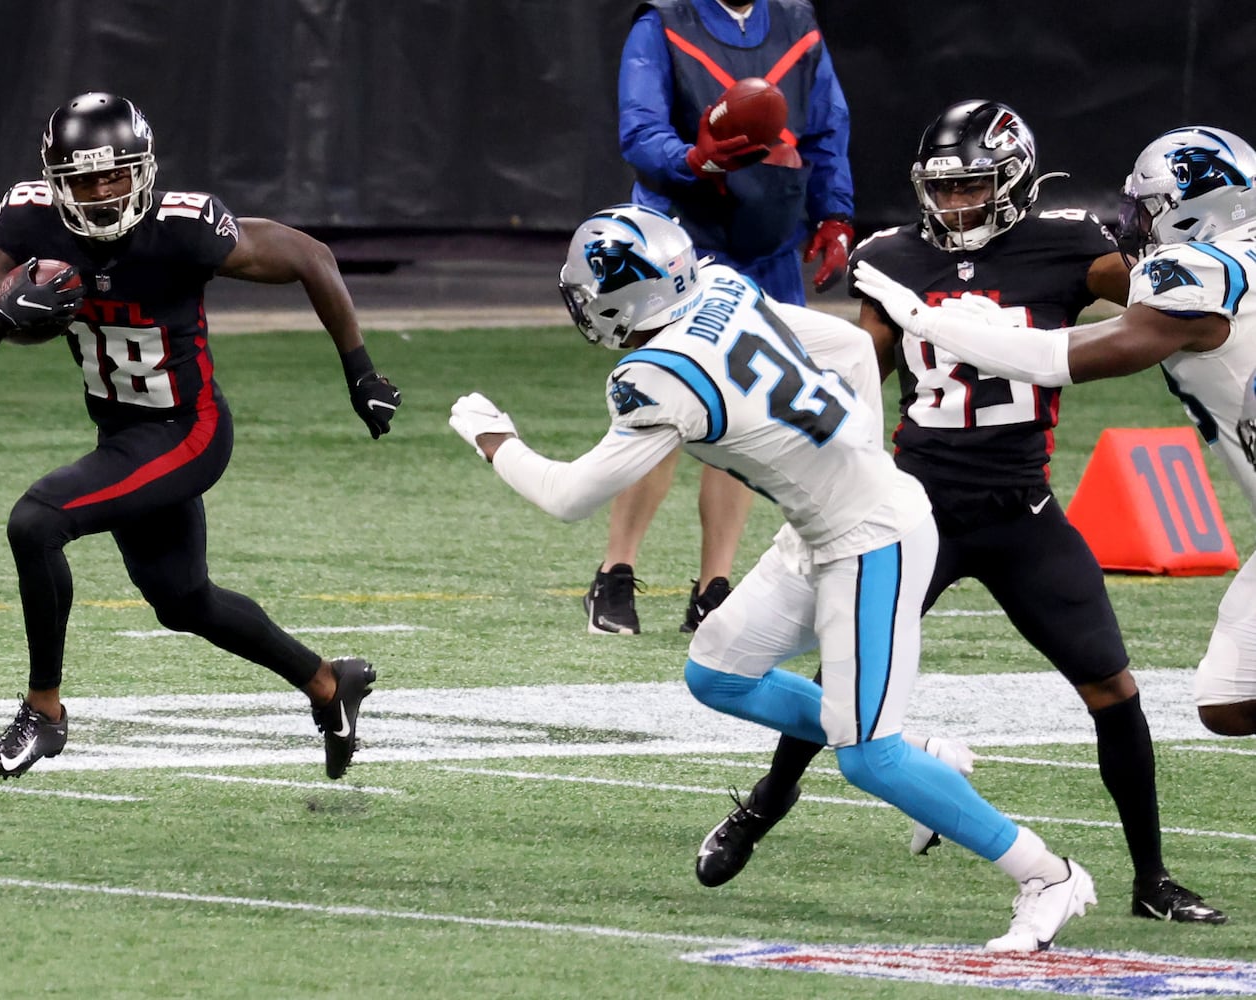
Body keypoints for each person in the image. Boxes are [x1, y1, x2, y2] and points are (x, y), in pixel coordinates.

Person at [451, 203, 1095, 952]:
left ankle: (1047, 874)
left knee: (868, 757)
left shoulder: (652, 378)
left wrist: (494, 439)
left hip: (873, 539)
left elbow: (568, 497)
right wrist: (855, 451)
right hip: (821, 528)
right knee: (718, 672)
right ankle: (923, 755)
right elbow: (850, 346)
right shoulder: (723, 286)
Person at [696, 102, 1226, 924]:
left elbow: (1163, 310)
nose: (956, 204)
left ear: (1015, 179)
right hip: (913, 511)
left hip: (1020, 509)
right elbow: (857, 376)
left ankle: (1151, 878)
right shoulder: (890, 256)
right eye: (944, 189)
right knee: (846, 674)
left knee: (1112, 687)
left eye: (974, 186)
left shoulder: (1070, 244)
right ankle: (765, 803)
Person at [0, 92, 399, 780]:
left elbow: (310, 255)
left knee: (36, 523)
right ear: (55, 182)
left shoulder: (184, 229)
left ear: (144, 170)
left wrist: (360, 370)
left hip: (188, 430)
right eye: (85, 180)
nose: (103, 193)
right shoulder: (32, 222)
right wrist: (0, 319)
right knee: (184, 601)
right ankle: (330, 685)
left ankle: (44, 713)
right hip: (123, 434)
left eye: (115, 175)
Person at [856, 123, 1256, 746]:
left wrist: (928, 321)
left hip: (1013, 500)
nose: (1137, 222)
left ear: (1198, 209)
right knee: (1228, 702)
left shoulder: (1203, 269)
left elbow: (1058, 358)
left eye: (1151, 207)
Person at [586, 0, 856, 635]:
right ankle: (615, 572)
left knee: (745, 413)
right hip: (679, 239)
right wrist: (692, 160)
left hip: (767, 236)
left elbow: (826, 128)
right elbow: (640, 130)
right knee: (662, 407)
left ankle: (714, 584)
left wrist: (835, 212)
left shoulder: (796, 22)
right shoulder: (662, 21)